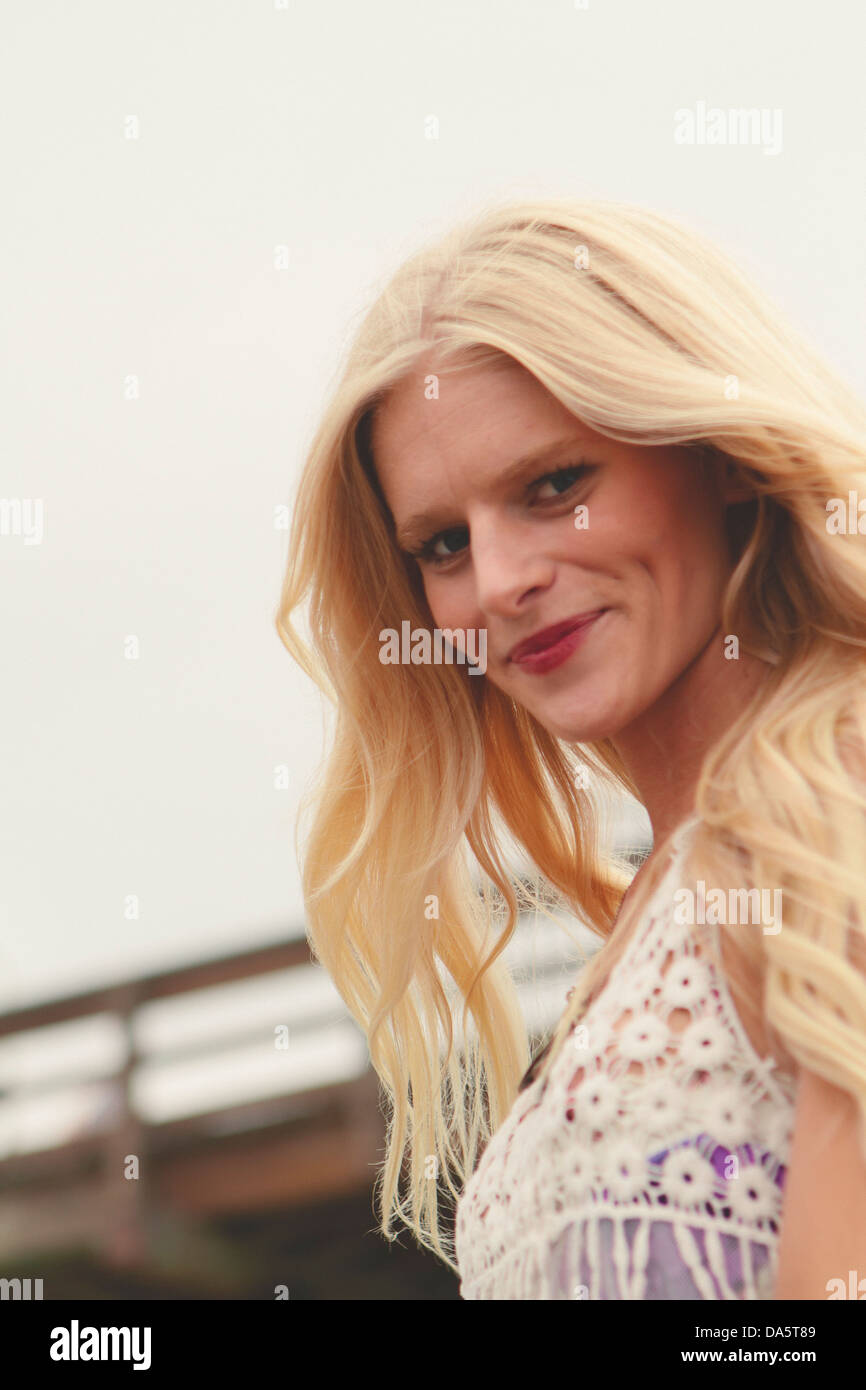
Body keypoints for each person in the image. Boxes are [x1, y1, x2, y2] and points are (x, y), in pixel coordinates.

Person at [275, 197, 866, 1298]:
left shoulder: (834, 807)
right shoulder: (657, 901)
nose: (498, 580)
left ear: (718, 455)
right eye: (442, 544)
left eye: (555, 486)